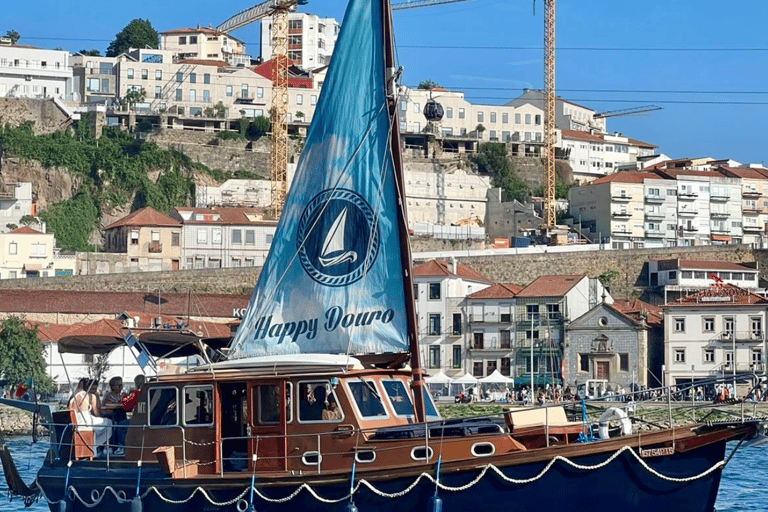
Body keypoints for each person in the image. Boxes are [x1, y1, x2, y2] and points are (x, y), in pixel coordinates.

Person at [69, 378, 112, 456]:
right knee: (109, 423)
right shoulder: (91, 396)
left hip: (76, 423)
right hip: (86, 421)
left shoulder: (73, 396)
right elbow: (96, 413)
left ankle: (92, 447)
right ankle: (94, 446)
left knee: (98, 427)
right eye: (92, 388)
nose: (94, 390)